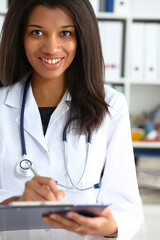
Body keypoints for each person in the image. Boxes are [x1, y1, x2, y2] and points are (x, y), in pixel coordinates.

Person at [0, 0, 143, 239]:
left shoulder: (111, 105)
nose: (52, 47)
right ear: (20, 37)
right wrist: (16, 202)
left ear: (82, 38)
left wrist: (109, 226)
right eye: (37, 32)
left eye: (65, 33)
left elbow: (127, 207)